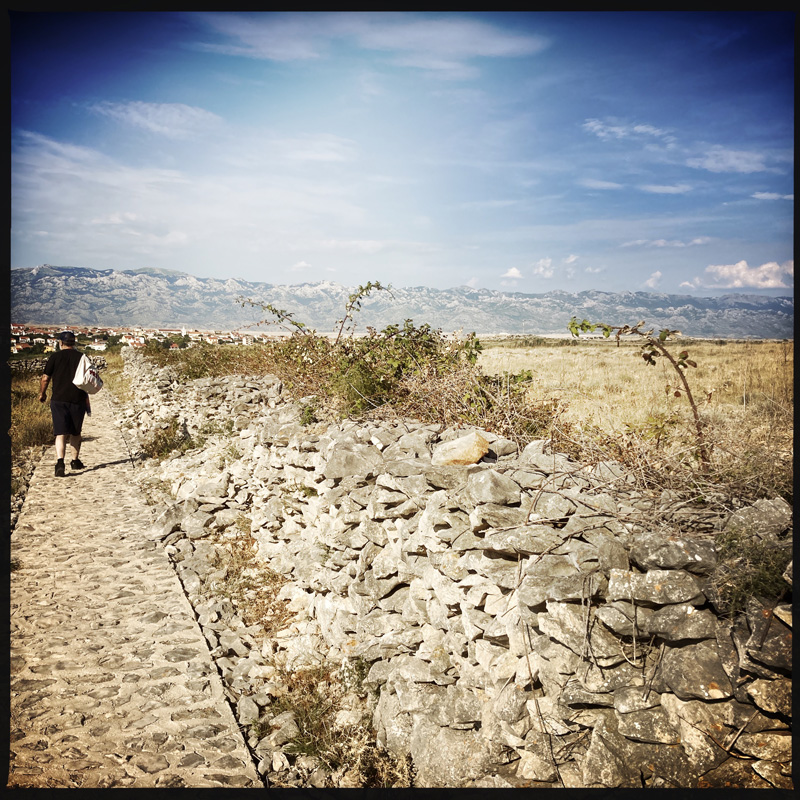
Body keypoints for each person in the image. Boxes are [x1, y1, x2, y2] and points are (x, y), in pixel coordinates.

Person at [39, 331, 89, 476]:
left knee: (60, 432)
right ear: (74, 342)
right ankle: (75, 461)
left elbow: (45, 378)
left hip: (59, 399)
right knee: (75, 432)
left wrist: (42, 393)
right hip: (78, 399)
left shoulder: (55, 357)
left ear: (61, 343)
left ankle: (60, 463)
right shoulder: (82, 357)